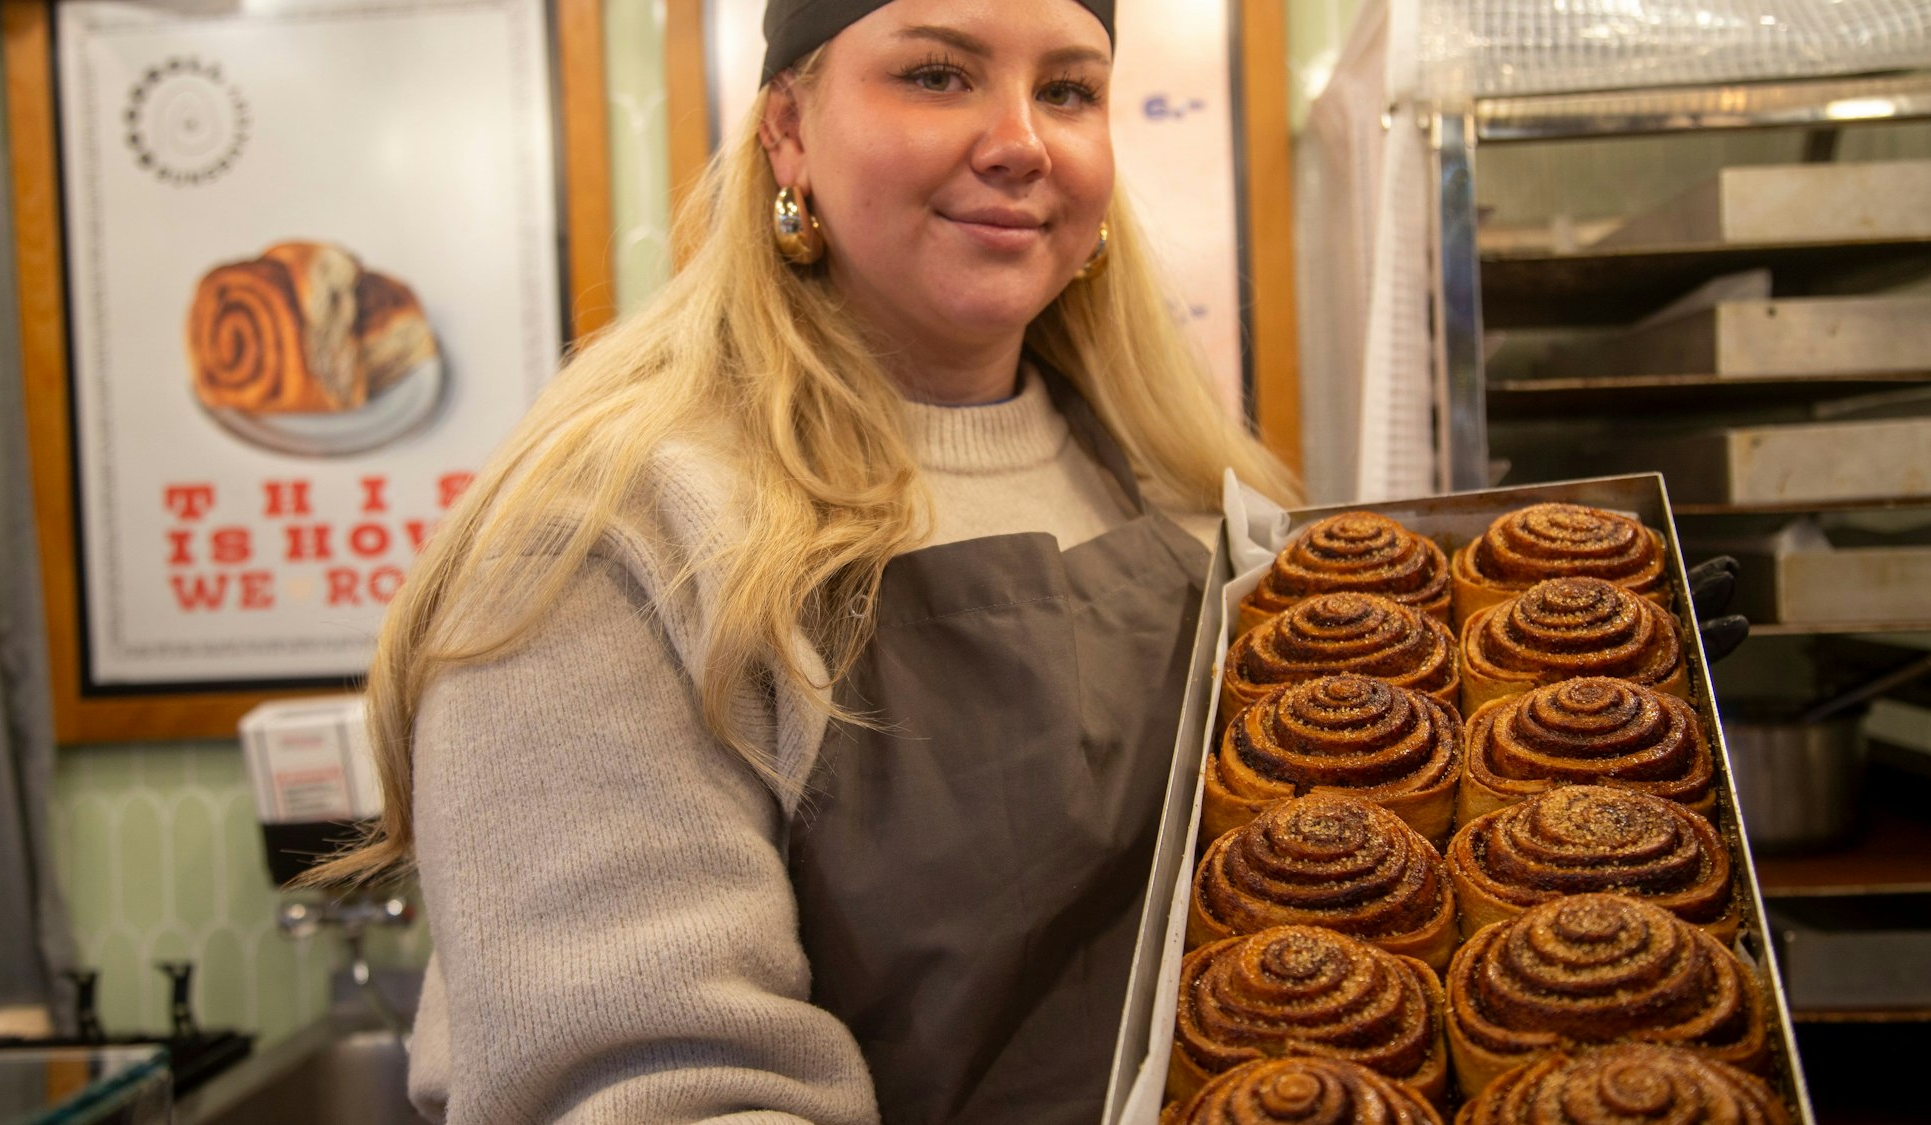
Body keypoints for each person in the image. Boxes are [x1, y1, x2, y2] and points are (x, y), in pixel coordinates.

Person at [309, 0, 1300, 1121]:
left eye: (1067, 90)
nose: (1022, 140)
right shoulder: (614, 532)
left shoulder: (1189, 501)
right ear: (786, 127)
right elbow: (647, 1092)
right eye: (937, 75)